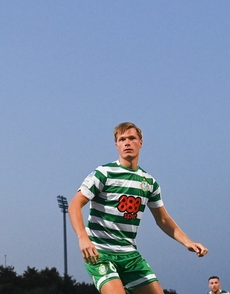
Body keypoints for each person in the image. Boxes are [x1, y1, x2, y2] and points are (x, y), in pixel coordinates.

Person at [68, 122, 207, 294]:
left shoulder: (149, 183)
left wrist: (188, 242)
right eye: (122, 139)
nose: (127, 142)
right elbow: (75, 204)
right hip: (100, 252)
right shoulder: (103, 173)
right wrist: (83, 237)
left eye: (132, 138)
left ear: (140, 142)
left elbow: (163, 219)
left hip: (130, 255)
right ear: (116, 145)